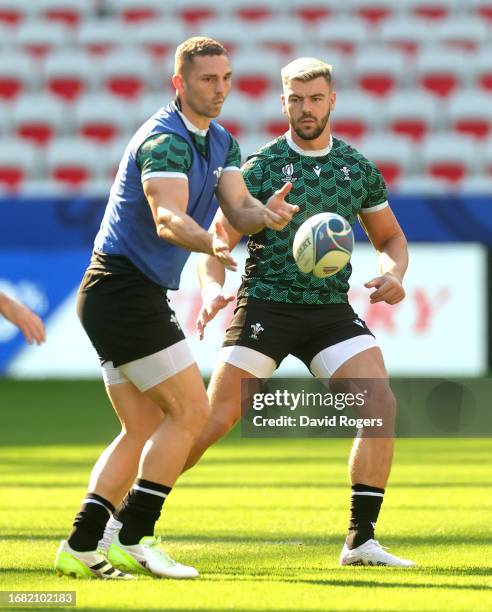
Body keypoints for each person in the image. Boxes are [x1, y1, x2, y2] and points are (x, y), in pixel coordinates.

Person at [54, 37, 297, 580]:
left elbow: (238, 207)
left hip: (121, 293)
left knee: (140, 428)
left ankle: (80, 544)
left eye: (227, 78)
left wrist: (265, 214)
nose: (220, 89)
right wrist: (209, 243)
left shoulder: (223, 142)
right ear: (179, 84)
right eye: (209, 79)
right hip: (123, 291)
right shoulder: (164, 140)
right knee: (191, 412)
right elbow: (169, 219)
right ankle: (137, 536)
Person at [188, 57, 415, 567]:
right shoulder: (261, 168)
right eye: (296, 99)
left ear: (332, 100)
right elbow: (215, 243)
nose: (306, 108)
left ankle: (361, 540)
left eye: (315, 98)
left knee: (380, 407)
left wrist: (394, 273)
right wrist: (210, 290)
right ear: (282, 101)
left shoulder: (357, 169)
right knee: (214, 418)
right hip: (267, 302)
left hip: (329, 310)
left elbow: (390, 238)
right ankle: (127, 519)